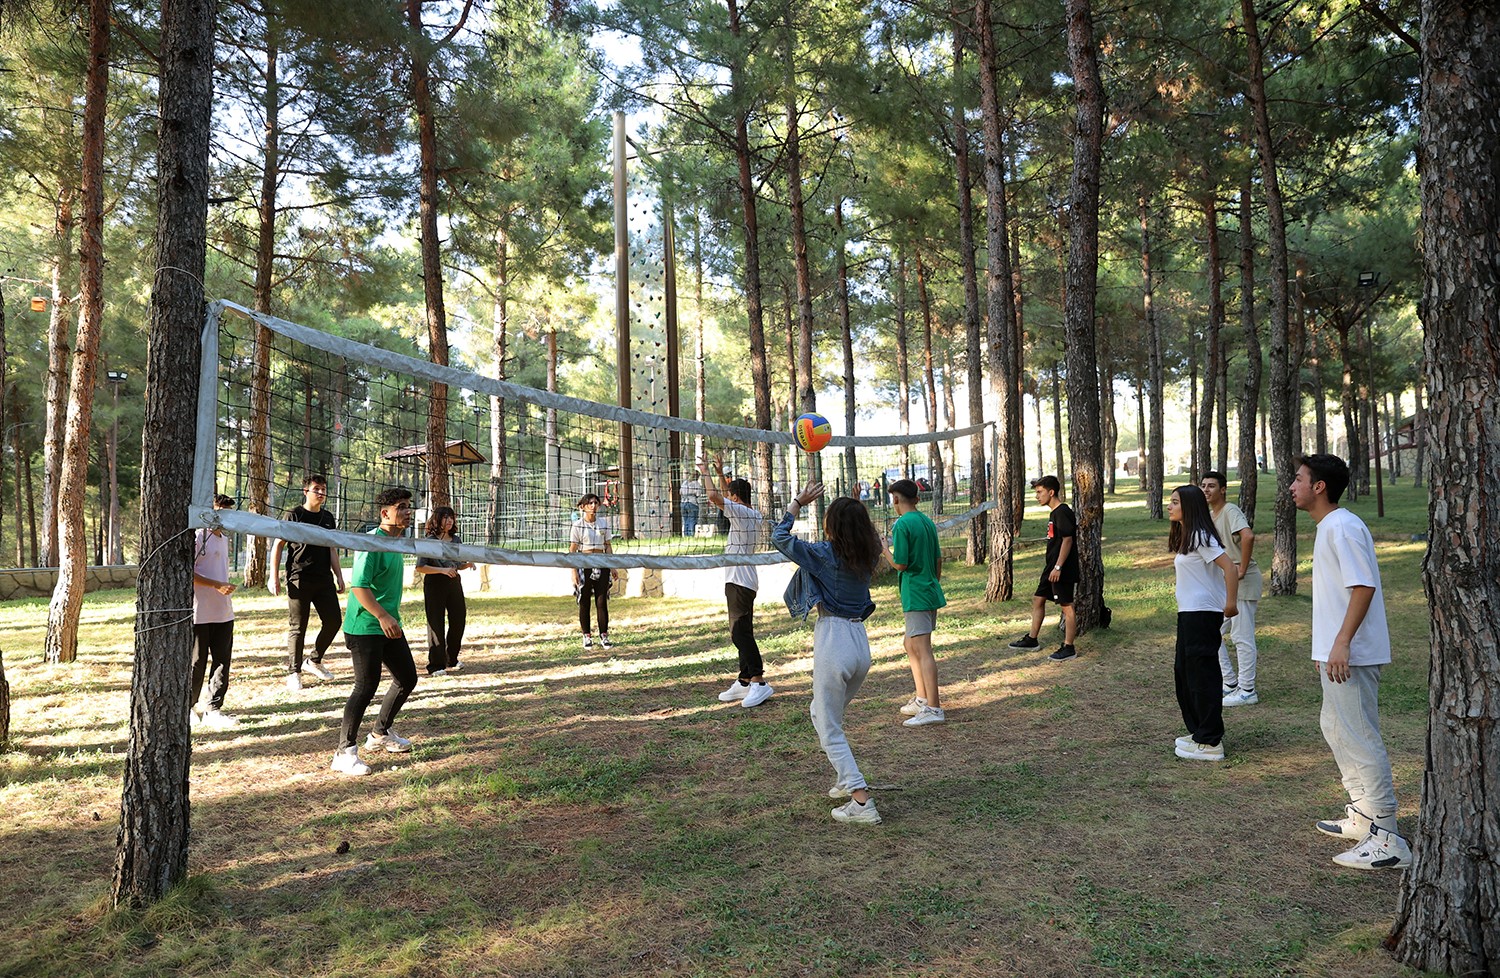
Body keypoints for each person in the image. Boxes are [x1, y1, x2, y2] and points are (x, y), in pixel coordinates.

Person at [1291, 453, 1411, 869]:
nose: (1292, 485)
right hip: (1335, 653)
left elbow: (1363, 587)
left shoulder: (1342, 527)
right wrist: (1326, 648)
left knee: (1359, 735)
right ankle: (1363, 815)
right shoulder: (1331, 527)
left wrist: (1341, 644)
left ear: (1319, 486)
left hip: (1352, 654)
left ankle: (1387, 836)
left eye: (1299, 478)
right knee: (1336, 728)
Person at [772, 481, 884, 825]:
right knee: (820, 714)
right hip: (860, 643)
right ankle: (843, 778)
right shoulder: (869, 552)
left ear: (832, 526)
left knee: (829, 726)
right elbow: (863, 532)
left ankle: (861, 801)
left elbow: (780, 538)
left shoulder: (824, 554)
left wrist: (797, 503)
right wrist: (854, 504)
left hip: (834, 639)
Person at [331, 487, 419, 776]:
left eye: (409, 506)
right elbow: (359, 586)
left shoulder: (399, 542)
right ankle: (344, 753)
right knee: (366, 686)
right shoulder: (371, 543)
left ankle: (380, 733)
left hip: (388, 623)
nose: (408, 511)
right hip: (366, 625)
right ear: (385, 513)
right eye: (401, 507)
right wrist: (382, 615)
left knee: (407, 677)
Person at [1167, 485, 1239, 762]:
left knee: (1202, 676)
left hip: (1202, 613)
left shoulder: (1200, 535)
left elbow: (1229, 567)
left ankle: (1210, 741)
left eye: (1175, 502)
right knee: (1185, 673)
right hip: (1189, 613)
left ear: (1189, 506)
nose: (1170, 506)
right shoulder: (1190, 535)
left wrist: (1230, 604)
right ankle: (1199, 732)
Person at [699, 454, 773, 708]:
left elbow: (714, 498)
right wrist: (721, 475)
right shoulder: (749, 512)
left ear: (735, 496)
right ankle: (744, 681)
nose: (727, 498)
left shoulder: (741, 512)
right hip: (741, 578)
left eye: (730, 494)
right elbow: (724, 495)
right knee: (740, 630)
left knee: (739, 632)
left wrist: (705, 471)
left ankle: (759, 681)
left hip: (740, 580)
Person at [270, 475, 346, 690]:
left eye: (323, 489)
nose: (321, 493)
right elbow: (278, 545)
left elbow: (331, 547)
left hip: (324, 579)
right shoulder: (294, 514)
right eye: (316, 489)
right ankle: (294, 671)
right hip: (299, 578)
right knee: (298, 626)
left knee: (333, 622)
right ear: (306, 491)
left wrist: (339, 575)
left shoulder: (328, 517)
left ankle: (314, 660)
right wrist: (273, 576)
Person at [1200, 471, 1262, 706]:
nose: (1207, 490)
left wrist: (1242, 568)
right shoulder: (1210, 515)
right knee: (1211, 631)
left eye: (1212, 486)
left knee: (1241, 636)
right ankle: (1230, 683)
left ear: (1223, 490)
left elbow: (1248, 536)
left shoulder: (1230, 511)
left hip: (1243, 582)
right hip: (1226, 583)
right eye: (1204, 486)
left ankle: (1247, 690)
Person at [888, 478, 946, 727]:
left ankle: (934, 708)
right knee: (910, 644)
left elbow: (900, 563)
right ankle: (922, 699)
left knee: (922, 649)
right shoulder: (927, 522)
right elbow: (938, 559)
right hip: (928, 590)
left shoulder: (902, 525)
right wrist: (931, 581)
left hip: (917, 594)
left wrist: (884, 550)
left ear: (897, 500)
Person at [1007, 475, 1080, 660]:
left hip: (1060, 568)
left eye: (1040, 492)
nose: (1037, 496)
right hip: (1051, 568)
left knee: (1067, 607)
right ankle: (1032, 639)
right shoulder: (1053, 513)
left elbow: (1068, 540)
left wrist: (1058, 567)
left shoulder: (1062, 511)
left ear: (1051, 492)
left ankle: (1069, 647)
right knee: (1038, 599)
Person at [191, 494, 239, 728]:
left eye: (228, 513)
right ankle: (188, 707)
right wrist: (215, 585)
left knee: (222, 661)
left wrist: (224, 586)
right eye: (220, 512)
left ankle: (213, 709)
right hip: (199, 612)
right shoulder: (198, 537)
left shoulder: (224, 539)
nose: (223, 518)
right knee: (196, 662)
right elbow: (187, 572)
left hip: (223, 612)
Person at [413, 505, 473, 677]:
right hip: (434, 584)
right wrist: (441, 571)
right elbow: (421, 567)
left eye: (451, 517)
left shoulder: (456, 540)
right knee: (436, 624)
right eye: (445, 517)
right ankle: (436, 666)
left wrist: (466, 565)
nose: (449, 521)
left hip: (453, 583)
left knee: (458, 620)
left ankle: (451, 659)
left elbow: (457, 564)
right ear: (437, 520)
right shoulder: (429, 541)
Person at [570, 493, 617, 650]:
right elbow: (572, 550)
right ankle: (586, 636)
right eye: (589, 503)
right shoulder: (578, 525)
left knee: (601, 601)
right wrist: (574, 571)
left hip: (602, 563)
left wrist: (613, 566)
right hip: (585, 564)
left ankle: (604, 636)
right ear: (582, 507)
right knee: (584, 601)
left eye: (596, 503)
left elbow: (608, 546)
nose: (593, 505)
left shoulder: (603, 523)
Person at [680, 472, 703, 537]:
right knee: (692, 520)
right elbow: (698, 494)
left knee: (686, 520)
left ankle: (686, 535)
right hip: (692, 503)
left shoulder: (684, 483)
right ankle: (690, 535)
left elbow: (680, 492)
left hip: (683, 503)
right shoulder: (696, 483)